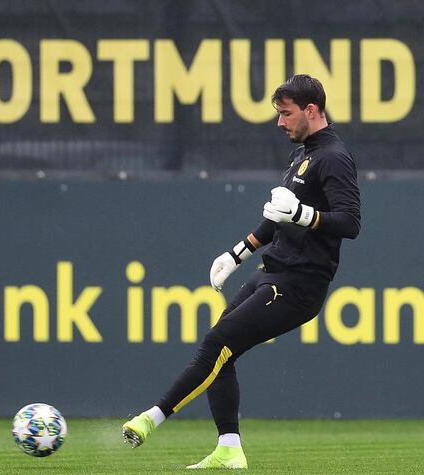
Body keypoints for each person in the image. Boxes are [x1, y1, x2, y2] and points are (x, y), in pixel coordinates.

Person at [122, 74, 361, 469]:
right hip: (273, 271)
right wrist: (238, 253)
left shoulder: (334, 156)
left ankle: (152, 418)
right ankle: (229, 448)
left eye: (286, 114)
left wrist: (303, 214)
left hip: (300, 284)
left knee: (217, 344)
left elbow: (350, 222)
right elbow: (277, 218)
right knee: (222, 354)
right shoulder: (303, 154)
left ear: (311, 110)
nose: (280, 123)